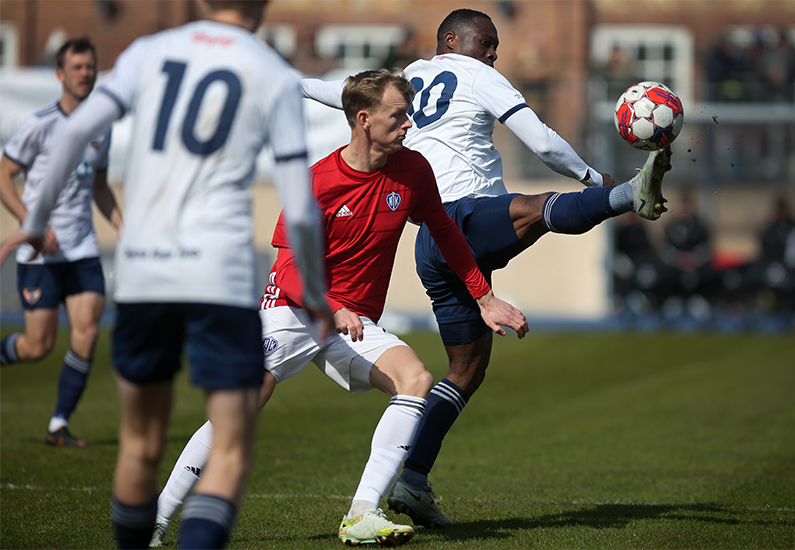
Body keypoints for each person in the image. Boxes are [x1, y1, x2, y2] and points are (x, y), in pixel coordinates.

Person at [299, 8, 673, 528]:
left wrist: (289, 84)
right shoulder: (477, 75)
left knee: (467, 369)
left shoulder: (406, 78)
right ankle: (627, 194)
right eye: (488, 42)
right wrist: (590, 174)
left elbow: (338, 90)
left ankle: (413, 481)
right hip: (463, 217)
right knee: (532, 209)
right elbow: (539, 138)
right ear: (454, 40)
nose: (495, 52)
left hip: (431, 243)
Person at [147, 69, 528, 548]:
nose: (409, 124)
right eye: (398, 115)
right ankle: (156, 520)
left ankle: (362, 514)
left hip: (351, 320)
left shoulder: (413, 170)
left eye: (407, 114)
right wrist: (331, 307)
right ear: (364, 119)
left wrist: (484, 296)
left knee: (415, 379)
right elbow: (287, 272)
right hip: (294, 311)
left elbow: (445, 232)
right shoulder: (316, 182)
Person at [0, 1, 331, 548]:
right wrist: (316, 291)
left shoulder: (148, 52)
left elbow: (71, 133)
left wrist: (33, 222)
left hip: (146, 274)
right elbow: (299, 206)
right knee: (230, 443)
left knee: (139, 444)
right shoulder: (273, 71)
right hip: (219, 278)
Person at [0, 37, 122, 447]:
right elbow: (4, 176)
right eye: (77, 67)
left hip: (83, 247)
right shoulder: (40, 124)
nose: (85, 73)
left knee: (87, 332)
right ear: (60, 75)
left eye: (90, 67)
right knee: (38, 346)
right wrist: (30, 222)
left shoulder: (100, 128)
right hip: (39, 252)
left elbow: (100, 185)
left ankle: (58, 424)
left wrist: (122, 223)